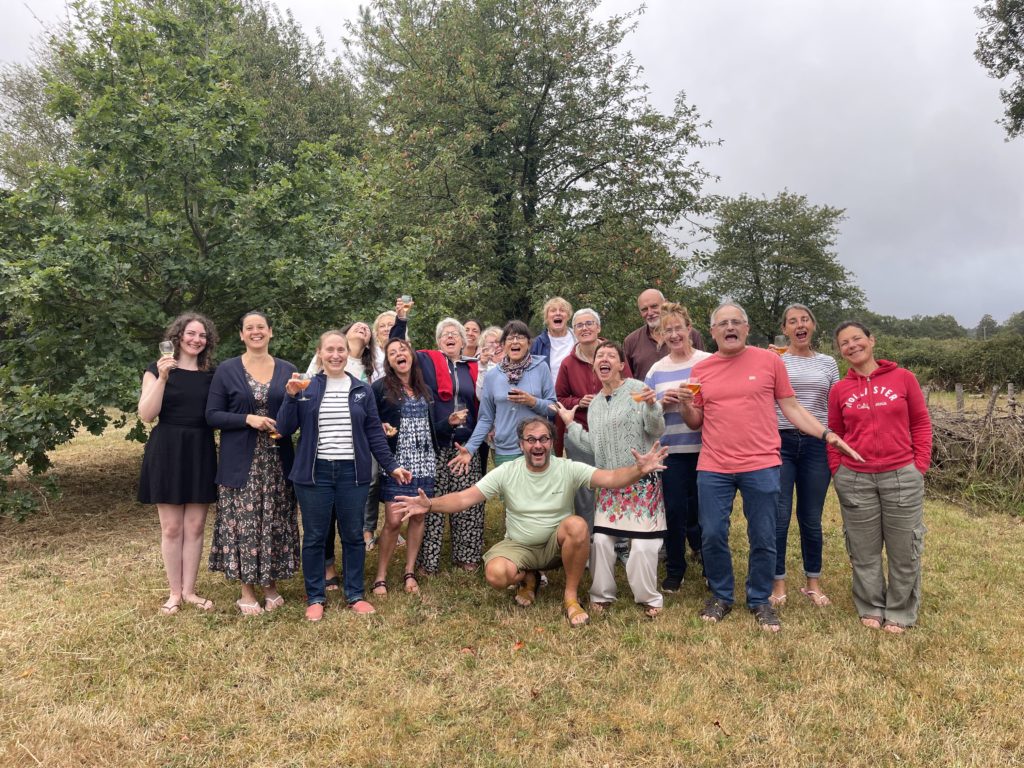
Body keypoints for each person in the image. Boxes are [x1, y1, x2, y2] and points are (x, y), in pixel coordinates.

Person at [677, 302, 861, 632]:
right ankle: (721, 595)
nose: (730, 327)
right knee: (714, 533)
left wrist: (826, 434)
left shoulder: (769, 361)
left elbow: (790, 406)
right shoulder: (702, 370)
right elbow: (695, 422)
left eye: (737, 322)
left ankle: (760, 599)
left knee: (763, 535)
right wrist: (687, 406)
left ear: (747, 329)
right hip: (714, 465)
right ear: (713, 332)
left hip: (761, 463)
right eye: (723, 323)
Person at [395, 416, 670, 627]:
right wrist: (430, 504)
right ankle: (529, 577)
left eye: (543, 439)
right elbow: (465, 498)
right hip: (519, 545)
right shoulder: (507, 471)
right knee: (496, 574)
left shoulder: (567, 468)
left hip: (556, 546)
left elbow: (609, 479)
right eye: (530, 439)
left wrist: (638, 470)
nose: (537, 445)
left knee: (577, 525)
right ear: (521, 444)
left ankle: (571, 597)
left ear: (551, 442)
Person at [276, 330, 411, 621]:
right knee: (314, 536)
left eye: (340, 349)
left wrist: (392, 466)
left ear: (346, 354)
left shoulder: (361, 389)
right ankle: (315, 596)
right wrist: (289, 396)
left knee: (352, 535)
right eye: (329, 350)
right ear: (320, 353)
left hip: (353, 472)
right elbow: (284, 429)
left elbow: (374, 433)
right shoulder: (307, 387)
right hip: (315, 473)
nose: (336, 355)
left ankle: (354, 594)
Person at [828, 321, 932, 634]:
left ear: (871, 341)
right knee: (864, 551)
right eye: (844, 343)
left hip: (901, 475)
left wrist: (919, 466)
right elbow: (835, 433)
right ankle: (871, 606)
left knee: (904, 549)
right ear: (840, 351)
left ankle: (900, 611)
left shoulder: (903, 379)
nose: (852, 346)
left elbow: (921, 424)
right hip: (856, 479)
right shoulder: (840, 390)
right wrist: (839, 469)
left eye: (857, 338)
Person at [555, 342, 666, 617]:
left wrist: (653, 406)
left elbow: (656, 428)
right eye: (599, 356)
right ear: (594, 366)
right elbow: (594, 446)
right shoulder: (594, 406)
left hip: (641, 481)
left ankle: (648, 597)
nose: (603, 359)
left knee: (642, 546)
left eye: (610, 356)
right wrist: (570, 425)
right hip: (610, 485)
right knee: (601, 542)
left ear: (620, 364)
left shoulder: (638, 390)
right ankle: (601, 594)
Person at [206, 311, 299, 616]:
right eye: (250, 328)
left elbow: (295, 418)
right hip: (240, 462)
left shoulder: (288, 370)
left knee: (273, 520)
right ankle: (246, 590)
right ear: (242, 335)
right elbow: (212, 415)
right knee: (244, 525)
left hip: (276, 461)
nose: (256, 332)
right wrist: (248, 418)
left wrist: (290, 403)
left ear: (270, 332)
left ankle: (270, 585)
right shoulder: (227, 370)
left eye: (261, 327)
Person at [390, 306, 485, 573]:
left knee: (468, 503)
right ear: (438, 341)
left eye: (456, 333)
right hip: (436, 442)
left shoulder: (475, 367)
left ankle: (466, 555)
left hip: (466, 446)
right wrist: (402, 319)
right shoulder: (426, 361)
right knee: (431, 503)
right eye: (445, 333)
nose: (450, 336)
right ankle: (427, 560)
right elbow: (396, 347)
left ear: (464, 341)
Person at [138, 312, 219, 615]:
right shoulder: (155, 369)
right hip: (168, 447)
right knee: (172, 528)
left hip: (200, 447)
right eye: (191, 333)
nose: (197, 339)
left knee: (196, 525)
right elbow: (146, 414)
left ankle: (190, 591)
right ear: (178, 336)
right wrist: (162, 377)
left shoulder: (213, 373)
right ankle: (174, 593)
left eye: (202, 335)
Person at [769, 304, 840, 609]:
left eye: (805, 320)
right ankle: (778, 582)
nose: (799, 325)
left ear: (813, 326)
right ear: (785, 329)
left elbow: (835, 404)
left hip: (815, 444)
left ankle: (813, 582)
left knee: (811, 518)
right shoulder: (775, 359)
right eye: (792, 322)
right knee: (780, 517)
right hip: (781, 442)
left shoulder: (828, 363)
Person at [644, 302, 712, 592]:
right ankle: (675, 568)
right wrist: (661, 403)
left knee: (707, 512)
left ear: (689, 329)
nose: (673, 334)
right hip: (671, 451)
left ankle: (711, 567)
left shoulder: (708, 362)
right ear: (660, 336)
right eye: (666, 330)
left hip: (707, 449)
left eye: (678, 328)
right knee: (673, 511)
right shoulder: (656, 370)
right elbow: (646, 414)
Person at [555, 308, 634, 530]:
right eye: (579, 325)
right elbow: (559, 398)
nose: (585, 328)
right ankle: (587, 538)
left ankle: (620, 538)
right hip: (580, 431)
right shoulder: (567, 364)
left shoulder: (614, 354)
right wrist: (579, 402)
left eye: (589, 323)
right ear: (574, 331)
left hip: (614, 433)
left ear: (598, 328)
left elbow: (629, 388)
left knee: (617, 484)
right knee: (584, 487)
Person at [370, 338, 437, 596]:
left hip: (425, 459)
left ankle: (409, 571)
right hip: (397, 461)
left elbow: (430, 426)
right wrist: (381, 428)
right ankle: (381, 576)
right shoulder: (380, 388)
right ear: (388, 361)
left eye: (403, 350)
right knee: (394, 520)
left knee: (419, 515)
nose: (399, 354)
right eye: (392, 352)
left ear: (411, 355)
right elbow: (370, 422)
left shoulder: (424, 388)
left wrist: (449, 423)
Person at [452, 320, 556, 469]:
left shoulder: (541, 368)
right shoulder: (492, 375)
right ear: (503, 345)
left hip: (539, 447)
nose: (515, 342)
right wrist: (470, 448)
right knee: (509, 493)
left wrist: (532, 401)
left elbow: (553, 407)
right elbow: (485, 418)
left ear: (528, 343)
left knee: (543, 491)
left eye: (520, 337)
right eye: (510, 338)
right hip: (507, 449)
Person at [623, 288, 704, 381]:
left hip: (690, 393)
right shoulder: (631, 341)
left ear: (665, 303)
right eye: (644, 309)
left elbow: (703, 368)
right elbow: (627, 381)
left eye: (654, 306)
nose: (650, 313)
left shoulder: (690, 334)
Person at [529, 297, 575, 390]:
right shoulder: (537, 343)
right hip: (549, 398)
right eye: (553, 310)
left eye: (562, 310)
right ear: (547, 317)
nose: (558, 313)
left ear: (568, 316)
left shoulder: (578, 339)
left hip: (577, 398)